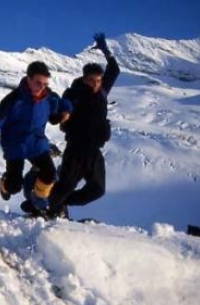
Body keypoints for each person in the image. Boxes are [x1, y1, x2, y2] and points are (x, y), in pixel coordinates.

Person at [0, 61, 72, 215]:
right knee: (14, 186)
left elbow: (62, 103)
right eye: (38, 82)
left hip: (36, 143)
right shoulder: (13, 100)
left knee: (49, 173)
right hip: (14, 144)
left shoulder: (48, 97)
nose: (42, 87)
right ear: (28, 79)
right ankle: (5, 183)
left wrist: (66, 110)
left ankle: (39, 199)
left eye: (45, 83)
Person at [48, 33, 120, 219]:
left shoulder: (102, 91)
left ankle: (60, 202)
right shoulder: (74, 93)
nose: (96, 84)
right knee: (65, 185)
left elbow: (114, 70)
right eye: (92, 80)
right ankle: (49, 210)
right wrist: (63, 115)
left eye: (99, 80)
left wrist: (106, 51)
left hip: (94, 150)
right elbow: (64, 107)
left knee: (97, 189)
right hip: (77, 148)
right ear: (84, 78)